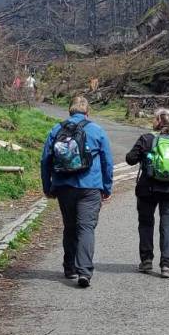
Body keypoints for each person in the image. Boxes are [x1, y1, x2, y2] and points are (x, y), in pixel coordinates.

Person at [41, 95, 114, 288]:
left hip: (64, 186)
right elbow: (107, 161)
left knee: (70, 226)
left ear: (69, 111)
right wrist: (107, 187)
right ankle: (84, 272)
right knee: (86, 228)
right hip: (90, 187)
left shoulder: (56, 129)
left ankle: (69, 267)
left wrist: (48, 187)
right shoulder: (97, 130)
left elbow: (45, 160)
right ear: (87, 112)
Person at [124, 108, 169, 278]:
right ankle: (167, 265)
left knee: (146, 224)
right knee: (168, 226)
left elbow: (130, 159)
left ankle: (146, 260)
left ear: (159, 121)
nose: (152, 121)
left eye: (154, 118)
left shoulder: (146, 139)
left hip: (147, 189)